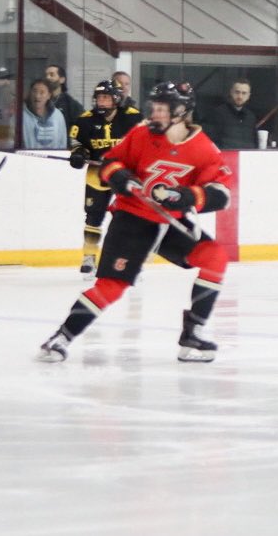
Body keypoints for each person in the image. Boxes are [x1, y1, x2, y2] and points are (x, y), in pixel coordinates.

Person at [38, 81, 234, 364]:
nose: (154, 114)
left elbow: (221, 194)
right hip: (132, 219)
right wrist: (119, 177)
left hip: (169, 223)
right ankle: (61, 338)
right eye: (153, 107)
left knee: (215, 257)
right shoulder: (141, 134)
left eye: (161, 109)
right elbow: (109, 163)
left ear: (181, 111)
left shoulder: (204, 149)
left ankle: (193, 335)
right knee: (112, 286)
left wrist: (184, 196)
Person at [67, 79, 142, 275]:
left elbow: (144, 143)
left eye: (106, 98)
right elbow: (77, 142)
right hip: (97, 174)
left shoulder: (133, 118)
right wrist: (79, 154)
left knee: (129, 218)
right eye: (99, 98)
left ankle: (129, 260)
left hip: (125, 174)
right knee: (93, 216)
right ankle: (89, 257)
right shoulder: (85, 120)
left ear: (116, 99)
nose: (101, 102)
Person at [198, 78, 260, 151]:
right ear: (231, 92)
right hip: (225, 158)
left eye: (244, 93)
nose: (240, 96)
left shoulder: (251, 117)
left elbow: (255, 143)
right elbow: (209, 142)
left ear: (249, 96)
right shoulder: (217, 114)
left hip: (247, 159)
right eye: (237, 92)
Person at [22, 78, 68, 150]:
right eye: (34, 91)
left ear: (49, 95)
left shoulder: (58, 116)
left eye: (42, 92)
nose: (37, 96)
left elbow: (62, 143)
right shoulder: (21, 116)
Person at [44, 63, 84, 130]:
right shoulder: (40, 100)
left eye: (51, 75)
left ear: (62, 79)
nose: (47, 78)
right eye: (46, 75)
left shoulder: (70, 103)